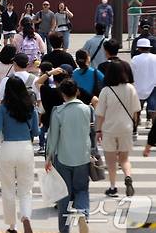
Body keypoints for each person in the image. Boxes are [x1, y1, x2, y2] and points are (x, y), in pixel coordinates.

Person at [0, 77, 39, 233]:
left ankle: (12, 225)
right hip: (25, 149)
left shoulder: (3, 108)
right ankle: (26, 216)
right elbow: (35, 132)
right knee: (26, 189)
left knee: (8, 188)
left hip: (7, 148)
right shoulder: (31, 108)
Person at [45, 79, 92, 233]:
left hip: (63, 157)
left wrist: (48, 157)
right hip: (83, 157)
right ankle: (82, 213)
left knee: (64, 195)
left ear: (62, 94)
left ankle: (64, 229)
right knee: (82, 190)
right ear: (77, 91)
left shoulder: (58, 111)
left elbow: (53, 137)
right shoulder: (88, 109)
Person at [96, 62, 140, 197]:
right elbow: (135, 111)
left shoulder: (106, 90)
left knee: (111, 161)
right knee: (124, 159)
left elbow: (100, 114)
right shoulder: (130, 89)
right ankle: (128, 176)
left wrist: (98, 131)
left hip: (109, 128)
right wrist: (134, 125)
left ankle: (113, 187)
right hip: (126, 128)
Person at [131, 39, 156, 133]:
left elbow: (132, 74)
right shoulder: (155, 57)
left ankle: (134, 129)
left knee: (137, 109)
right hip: (153, 87)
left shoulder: (135, 59)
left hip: (139, 87)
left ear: (139, 48)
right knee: (153, 110)